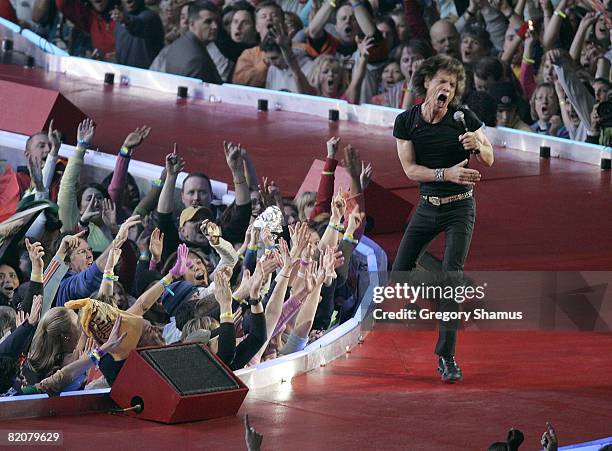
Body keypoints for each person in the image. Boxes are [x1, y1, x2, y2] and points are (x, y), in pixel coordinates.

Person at [392, 54, 494, 383]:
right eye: (441, 82)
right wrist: (446, 173)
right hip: (427, 205)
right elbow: (410, 170)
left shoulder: (463, 117)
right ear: (426, 84)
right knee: (400, 274)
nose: (446, 89)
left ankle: (446, 357)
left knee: (451, 283)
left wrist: (477, 143)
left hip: (460, 208)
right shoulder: (407, 122)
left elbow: (490, 159)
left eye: (451, 84)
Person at [164, 0, 223, 83]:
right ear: (192, 24)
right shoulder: (196, 60)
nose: (215, 26)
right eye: (208, 22)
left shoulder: (177, 44)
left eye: (216, 21)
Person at [110, 0, 165, 68]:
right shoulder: (119, 21)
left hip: (145, 75)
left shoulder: (151, 16)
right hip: (124, 74)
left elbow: (137, 24)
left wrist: (126, 20)